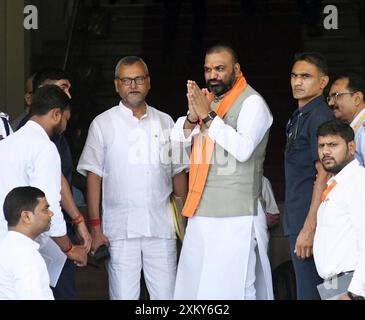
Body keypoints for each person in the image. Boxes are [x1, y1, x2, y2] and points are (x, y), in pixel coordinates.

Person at [77, 56, 188, 300]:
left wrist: (184, 225)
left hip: (161, 228)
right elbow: (94, 179)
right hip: (119, 231)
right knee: (123, 296)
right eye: (126, 80)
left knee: (167, 297)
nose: (133, 85)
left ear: (148, 82)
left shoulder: (166, 121)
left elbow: (178, 175)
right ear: (117, 85)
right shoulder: (102, 124)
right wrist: (96, 229)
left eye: (138, 79)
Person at [171, 44, 274, 300]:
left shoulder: (253, 103)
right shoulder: (211, 103)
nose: (212, 75)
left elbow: (242, 149)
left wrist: (207, 117)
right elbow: (177, 141)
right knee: (195, 289)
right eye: (208, 69)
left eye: (219, 68)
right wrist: (194, 117)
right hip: (201, 211)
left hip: (237, 215)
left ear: (237, 69)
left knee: (235, 290)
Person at [18, 67, 91, 300]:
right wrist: (69, 249)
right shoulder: (41, 144)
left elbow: (60, 180)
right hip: (40, 236)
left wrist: (78, 221)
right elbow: (49, 201)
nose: (68, 94)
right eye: (61, 88)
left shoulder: (32, 139)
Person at [0, 86, 87, 272]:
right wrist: (70, 248)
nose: (65, 126)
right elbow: (49, 207)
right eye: (66, 119)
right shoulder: (44, 147)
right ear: (56, 114)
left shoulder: (8, 144)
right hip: (23, 251)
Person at [284, 52, 334, 299]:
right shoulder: (301, 115)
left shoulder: (319, 116)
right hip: (299, 217)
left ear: (323, 82)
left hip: (310, 221)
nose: (297, 82)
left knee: (313, 293)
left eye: (305, 76)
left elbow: (324, 173)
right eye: (294, 76)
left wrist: (309, 226)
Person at [314, 119, 365, 300]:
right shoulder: (338, 183)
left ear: (352, 147)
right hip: (334, 285)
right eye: (321, 145)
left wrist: (355, 292)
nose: (325, 151)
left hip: (351, 286)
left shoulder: (358, 182)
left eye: (333, 145)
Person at [0, 187, 54, 300]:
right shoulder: (24, 255)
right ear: (26, 216)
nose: (51, 213)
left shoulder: (7, 246)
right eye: (45, 209)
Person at [327, 73, 365, 166]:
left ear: (357, 98)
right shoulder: (356, 129)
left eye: (336, 95)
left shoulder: (363, 130)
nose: (331, 103)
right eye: (329, 98)